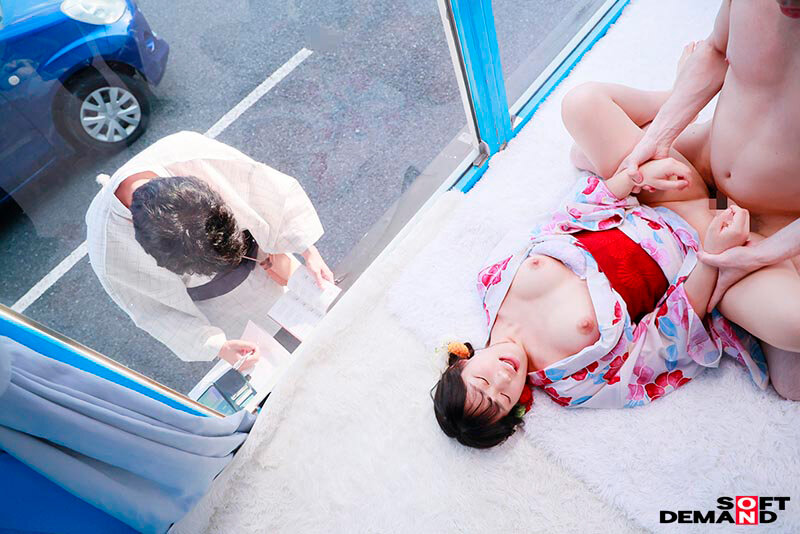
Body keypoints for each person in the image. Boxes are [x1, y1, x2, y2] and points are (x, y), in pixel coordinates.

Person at [432, 49, 800, 448]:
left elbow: (563, 222)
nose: (503, 379)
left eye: (482, 381)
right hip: (705, 246)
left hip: (660, 194)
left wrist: (632, 178)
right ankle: (752, 219)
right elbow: (664, 342)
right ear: (516, 407)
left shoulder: (491, 284)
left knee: (581, 103)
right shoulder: (572, 383)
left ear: (461, 363)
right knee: (793, 329)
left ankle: (679, 98)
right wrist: (713, 257)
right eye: (502, 399)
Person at [620, 0, 800, 400]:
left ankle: (757, 262)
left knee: (793, 383)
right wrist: (657, 140)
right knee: (595, 148)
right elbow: (717, 51)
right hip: (709, 155)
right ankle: (673, 97)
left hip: (780, 220)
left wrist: (764, 254)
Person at [86, 131, 333, 371]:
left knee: (325, 323)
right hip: (224, 307)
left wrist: (307, 250)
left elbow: (265, 193)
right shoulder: (109, 247)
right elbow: (153, 311)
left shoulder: (190, 153)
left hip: (266, 258)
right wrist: (218, 346)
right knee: (288, 364)